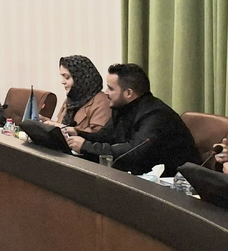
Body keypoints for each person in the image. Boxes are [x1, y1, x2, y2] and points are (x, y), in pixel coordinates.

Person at [63, 63, 200, 176]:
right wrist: (78, 133)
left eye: (110, 88)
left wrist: (86, 147)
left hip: (174, 184)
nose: (105, 92)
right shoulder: (121, 107)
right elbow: (105, 136)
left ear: (128, 93)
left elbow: (135, 152)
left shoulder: (157, 115)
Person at [35, 56, 113, 133]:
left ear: (80, 78)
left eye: (67, 77)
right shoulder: (72, 98)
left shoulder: (102, 101)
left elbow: (98, 134)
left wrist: (65, 129)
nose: (62, 82)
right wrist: (49, 124)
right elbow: (62, 125)